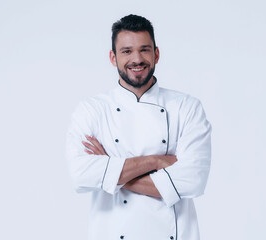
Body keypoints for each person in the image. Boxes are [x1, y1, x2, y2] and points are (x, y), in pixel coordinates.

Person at [66, 14, 212, 240]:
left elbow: (193, 181)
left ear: (156, 54)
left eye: (144, 50)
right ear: (113, 57)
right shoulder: (92, 111)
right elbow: (81, 176)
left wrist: (109, 171)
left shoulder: (186, 108)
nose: (137, 59)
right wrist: (155, 161)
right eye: (126, 51)